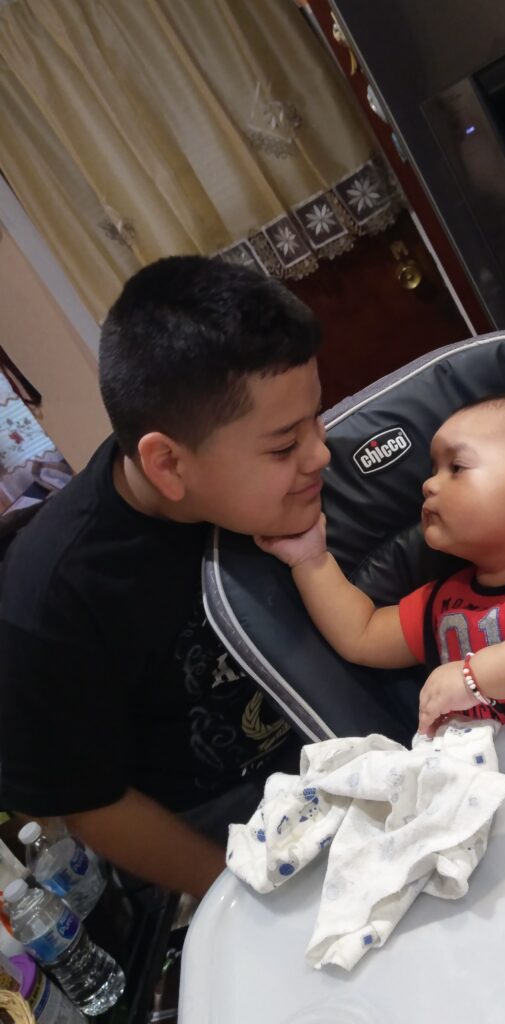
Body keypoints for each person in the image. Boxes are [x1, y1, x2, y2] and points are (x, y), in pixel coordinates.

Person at [0, 256, 330, 898]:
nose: (321, 452)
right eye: (285, 445)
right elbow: (92, 801)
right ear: (167, 464)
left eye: (315, 419)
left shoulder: (288, 487)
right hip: (229, 829)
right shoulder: (52, 601)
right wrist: (243, 900)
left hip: (342, 742)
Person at [259, 394, 505, 736]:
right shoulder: (442, 603)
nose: (429, 484)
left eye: (457, 468)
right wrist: (312, 560)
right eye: (433, 469)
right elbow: (360, 635)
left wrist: (475, 678)